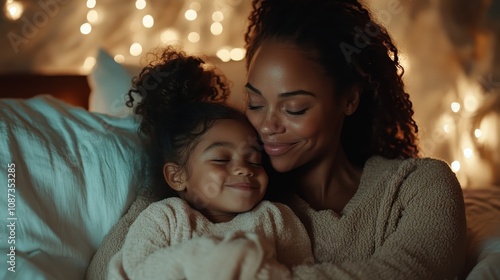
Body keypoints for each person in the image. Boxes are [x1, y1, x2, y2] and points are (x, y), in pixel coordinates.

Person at [240, 0, 467, 279]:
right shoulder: (239, 193)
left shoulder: (418, 185)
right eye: (254, 103)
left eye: (294, 108)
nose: (267, 126)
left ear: (349, 99)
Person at [105, 47, 313, 280]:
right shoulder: (166, 218)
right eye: (222, 159)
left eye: (255, 161)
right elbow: (139, 272)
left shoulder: (274, 217)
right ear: (177, 176)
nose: (244, 168)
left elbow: (300, 272)